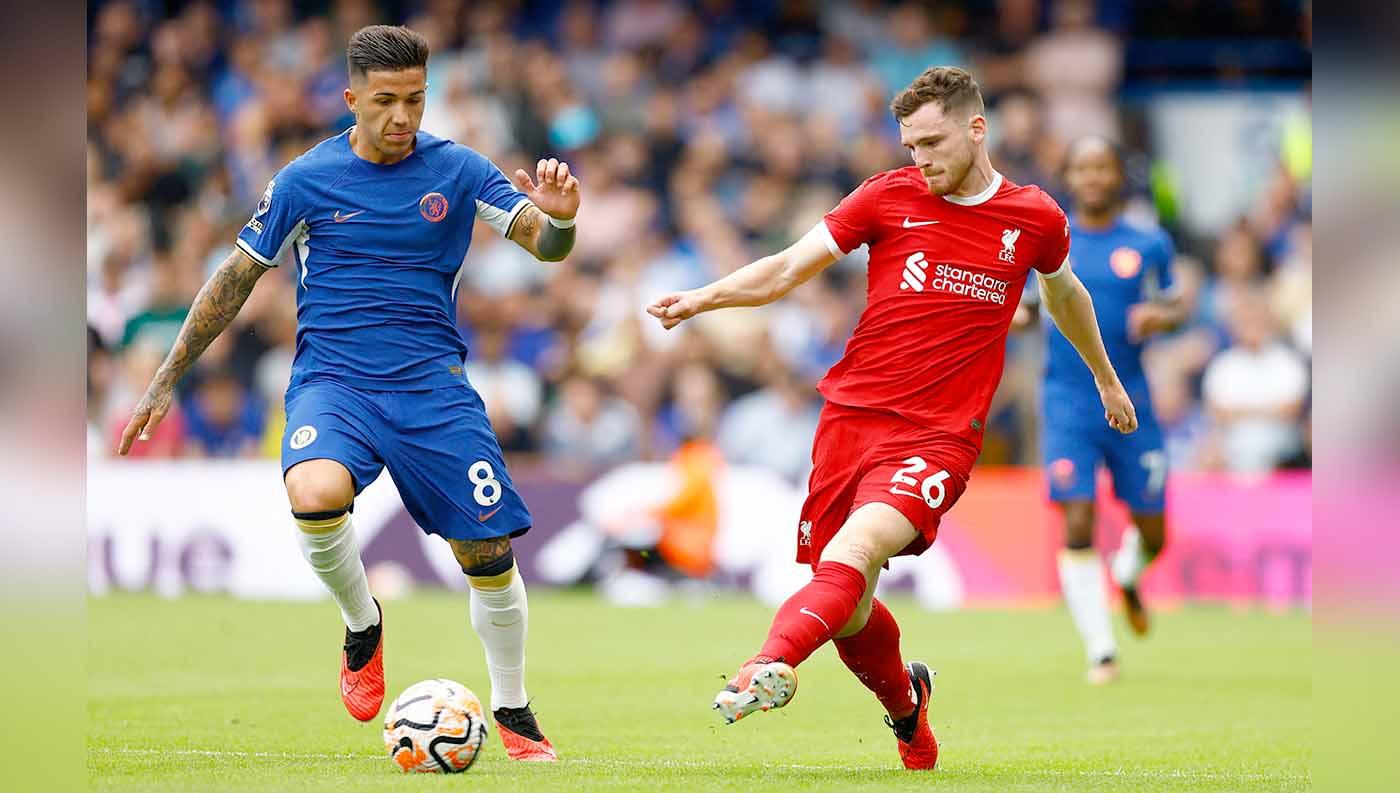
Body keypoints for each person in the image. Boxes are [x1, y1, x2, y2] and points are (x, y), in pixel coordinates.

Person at [647, 66, 1136, 770]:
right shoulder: (888, 196)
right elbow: (787, 269)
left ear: (977, 128)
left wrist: (1106, 379)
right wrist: (704, 297)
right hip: (849, 422)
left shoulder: (1035, 217)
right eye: (911, 146)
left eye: (933, 142)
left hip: (938, 436)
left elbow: (1067, 298)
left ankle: (767, 663)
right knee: (843, 602)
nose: (921, 160)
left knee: (855, 551)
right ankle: (908, 710)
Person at [116, 25, 580, 762]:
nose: (403, 117)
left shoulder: (459, 170)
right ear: (352, 98)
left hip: (433, 387)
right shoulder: (306, 179)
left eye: (417, 100)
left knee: (487, 553)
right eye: (387, 101)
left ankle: (515, 708)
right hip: (335, 382)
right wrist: (166, 376)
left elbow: (546, 246)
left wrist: (562, 218)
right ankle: (363, 624)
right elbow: (233, 281)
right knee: (315, 490)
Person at [1011, 137, 1183, 685]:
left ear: (1116, 175)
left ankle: (1128, 575)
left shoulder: (1149, 243)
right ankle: (1101, 649)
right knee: (1078, 520)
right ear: (1070, 175)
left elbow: (1175, 300)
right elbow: (1027, 307)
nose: (1090, 177)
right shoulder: (1051, 240)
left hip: (1132, 398)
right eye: (1081, 167)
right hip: (1067, 403)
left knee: (1153, 532)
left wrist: (1163, 316)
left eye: (1100, 167)